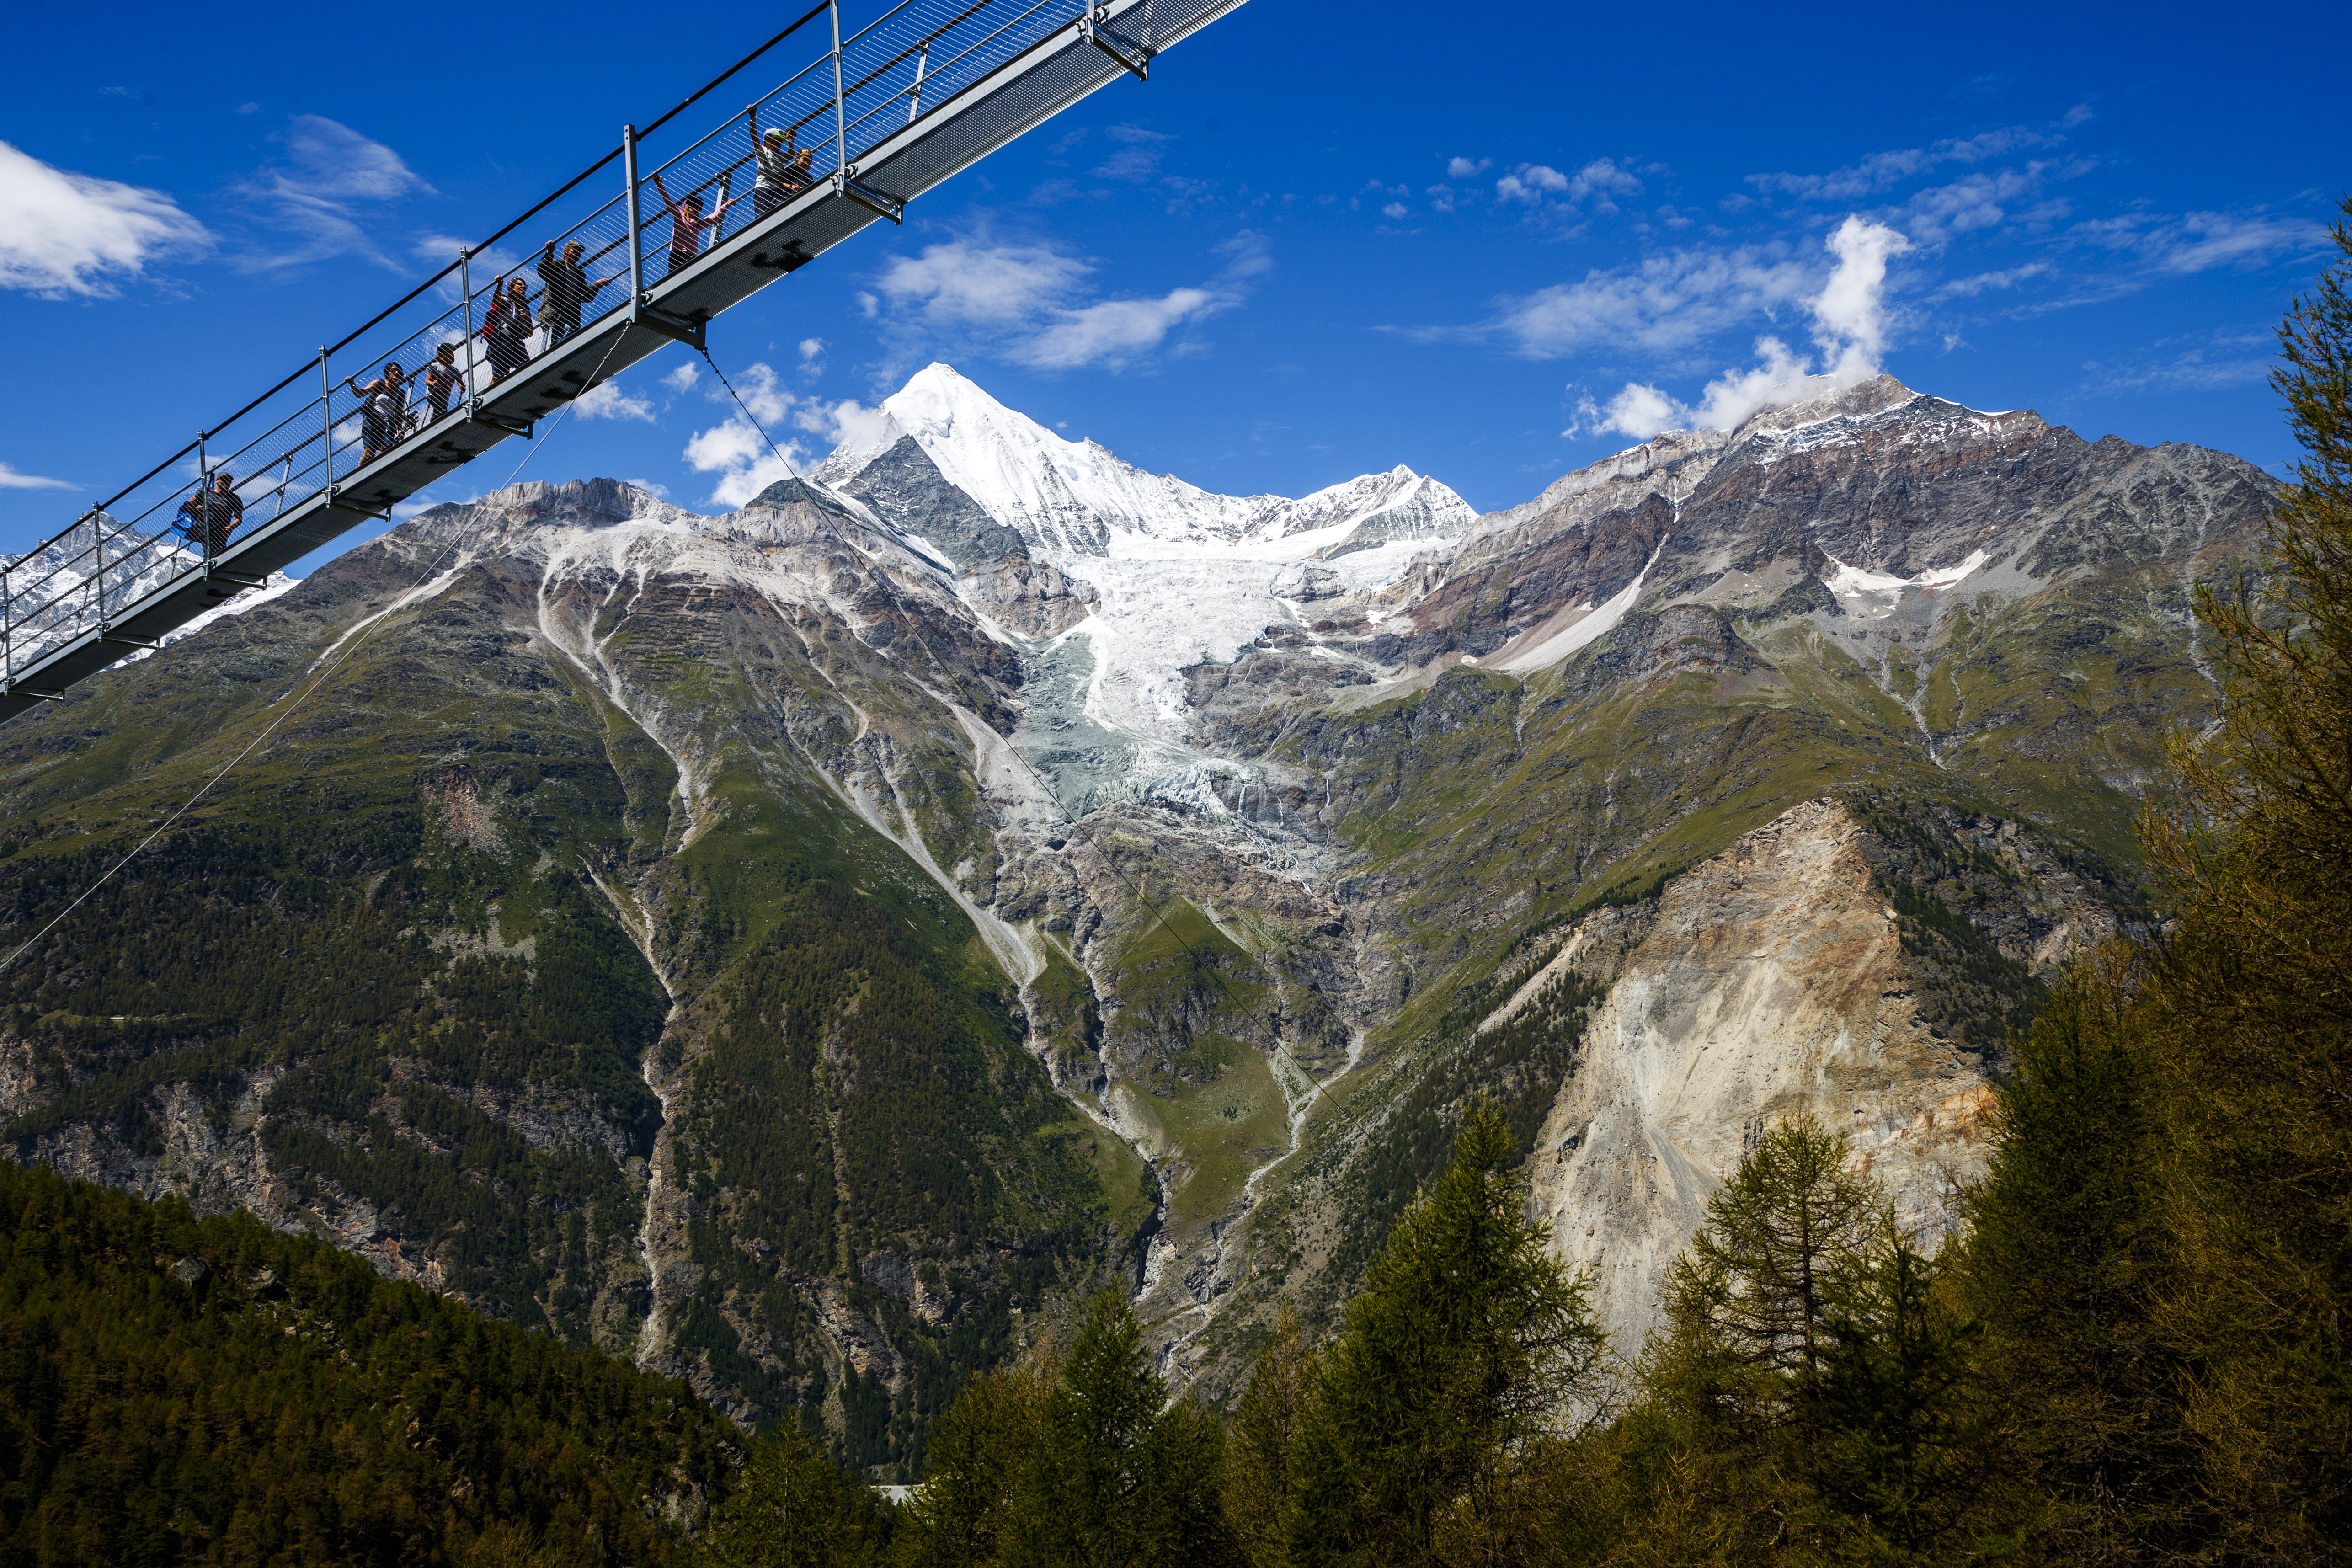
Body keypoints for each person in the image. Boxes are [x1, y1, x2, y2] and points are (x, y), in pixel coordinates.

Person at [536, 240, 619, 348]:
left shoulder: (579, 273)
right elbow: (544, 270)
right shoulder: (558, 266)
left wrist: (598, 284)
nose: (578, 254)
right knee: (561, 337)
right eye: (575, 251)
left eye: (579, 252)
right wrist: (550, 253)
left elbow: (586, 296)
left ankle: (558, 355)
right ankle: (556, 356)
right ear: (566, 251)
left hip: (571, 313)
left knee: (566, 336)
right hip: (556, 310)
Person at [651, 171, 732, 280]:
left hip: (692, 256)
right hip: (677, 253)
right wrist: (659, 185)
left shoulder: (698, 224)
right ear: (687, 206)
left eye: (699, 207)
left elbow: (713, 218)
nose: (696, 209)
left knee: (690, 280)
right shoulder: (680, 216)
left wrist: (725, 206)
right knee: (674, 280)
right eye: (693, 206)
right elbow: (669, 203)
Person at [341, 362, 408, 464]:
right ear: (388, 373)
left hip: (388, 423)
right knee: (370, 452)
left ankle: (382, 471)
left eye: (398, 370)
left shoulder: (401, 393)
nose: (396, 372)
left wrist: (399, 429)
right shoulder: (379, 384)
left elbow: (399, 413)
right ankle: (360, 475)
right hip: (373, 420)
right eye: (393, 370)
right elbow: (360, 394)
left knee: (385, 450)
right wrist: (352, 384)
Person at [746, 109, 803, 224]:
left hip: (776, 189)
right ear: (767, 140)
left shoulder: (780, 155)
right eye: (776, 142)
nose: (779, 145)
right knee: (763, 217)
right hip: (764, 188)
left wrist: (790, 142)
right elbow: (754, 136)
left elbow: (790, 156)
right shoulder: (762, 151)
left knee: (783, 210)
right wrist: (753, 117)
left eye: (780, 143)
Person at [176, 471, 244, 556]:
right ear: (217, 481)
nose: (227, 483)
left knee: (218, 552)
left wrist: (231, 528)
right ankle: (208, 562)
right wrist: (196, 508)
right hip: (203, 527)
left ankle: (209, 563)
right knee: (211, 547)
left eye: (229, 481)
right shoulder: (205, 492)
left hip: (221, 530)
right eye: (225, 480)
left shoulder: (234, 499)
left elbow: (239, 519)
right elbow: (189, 505)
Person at [481, 276, 534, 383]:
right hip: (500, 340)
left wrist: (527, 319)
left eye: (525, 286)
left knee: (525, 368)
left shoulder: (526, 309)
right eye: (519, 284)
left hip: (516, 341)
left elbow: (530, 333)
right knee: (500, 376)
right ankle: (491, 396)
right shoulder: (507, 301)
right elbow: (497, 300)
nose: (523, 287)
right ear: (512, 288)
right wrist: (500, 286)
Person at [422, 341, 465, 424]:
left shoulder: (455, 371)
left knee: (438, 413)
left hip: (445, 398)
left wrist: (462, 387)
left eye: (451, 352)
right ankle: (442, 426)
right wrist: (433, 383)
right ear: (441, 355)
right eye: (448, 352)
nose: (451, 354)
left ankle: (432, 427)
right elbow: (427, 381)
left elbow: (460, 384)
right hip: (433, 395)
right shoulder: (435, 366)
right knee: (442, 411)